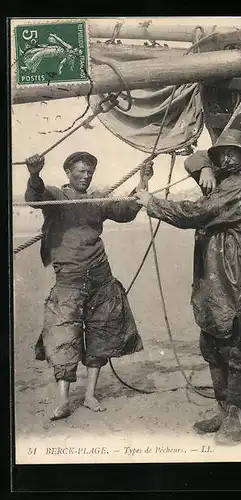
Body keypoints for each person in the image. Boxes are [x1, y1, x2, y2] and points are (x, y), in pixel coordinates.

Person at [135, 129, 241, 445]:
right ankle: (224, 409)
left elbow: (196, 212)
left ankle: (240, 416)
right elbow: (192, 160)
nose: (225, 157)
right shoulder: (225, 177)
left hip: (236, 283)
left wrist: (153, 203)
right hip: (217, 281)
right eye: (221, 153)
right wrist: (206, 164)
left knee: (234, 348)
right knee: (211, 345)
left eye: (231, 153)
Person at [25, 151, 153, 420]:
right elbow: (36, 197)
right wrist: (34, 174)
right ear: (68, 173)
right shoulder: (57, 197)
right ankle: (63, 400)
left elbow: (126, 211)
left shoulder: (97, 199)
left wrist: (143, 181)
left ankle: (90, 395)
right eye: (81, 172)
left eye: (89, 173)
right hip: (69, 281)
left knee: (100, 335)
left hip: (100, 277)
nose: (86, 177)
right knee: (63, 338)